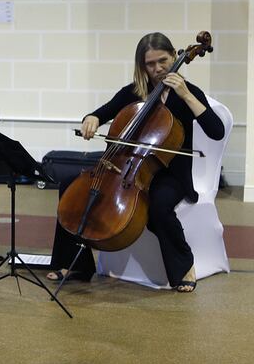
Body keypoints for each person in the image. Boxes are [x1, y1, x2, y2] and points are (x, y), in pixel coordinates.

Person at [46, 32, 225, 293]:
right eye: (149, 64)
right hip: (125, 165)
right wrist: (92, 118)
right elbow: (102, 112)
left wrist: (186, 95)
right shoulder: (134, 92)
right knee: (72, 187)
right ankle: (76, 264)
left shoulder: (186, 92)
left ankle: (183, 267)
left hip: (169, 171)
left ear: (175, 56)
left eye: (162, 61)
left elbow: (216, 130)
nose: (157, 69)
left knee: (160, 206)